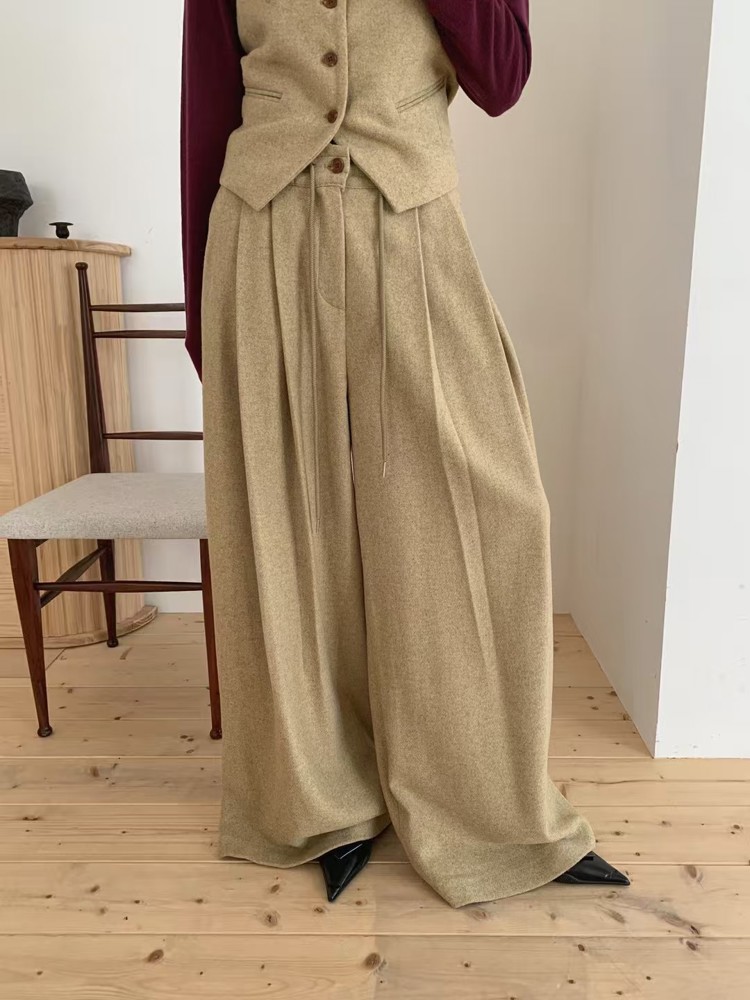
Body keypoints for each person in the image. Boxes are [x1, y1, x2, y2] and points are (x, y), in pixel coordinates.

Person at [181, 0, 629, 906]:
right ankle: (322, 801)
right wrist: (201, 306)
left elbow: (501, 78)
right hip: (261, 233)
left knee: (490, 511)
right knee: (289, 524)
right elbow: (205, 109)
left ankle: (489, 805)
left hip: (411, 223)